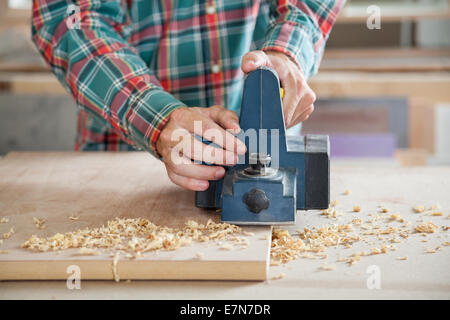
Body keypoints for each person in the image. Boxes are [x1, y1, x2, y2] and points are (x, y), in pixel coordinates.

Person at [32, 0, 344, 191]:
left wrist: (288, 49)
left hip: (270, 159)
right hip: (123, 164)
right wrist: (156, 117)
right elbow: (68, 17)